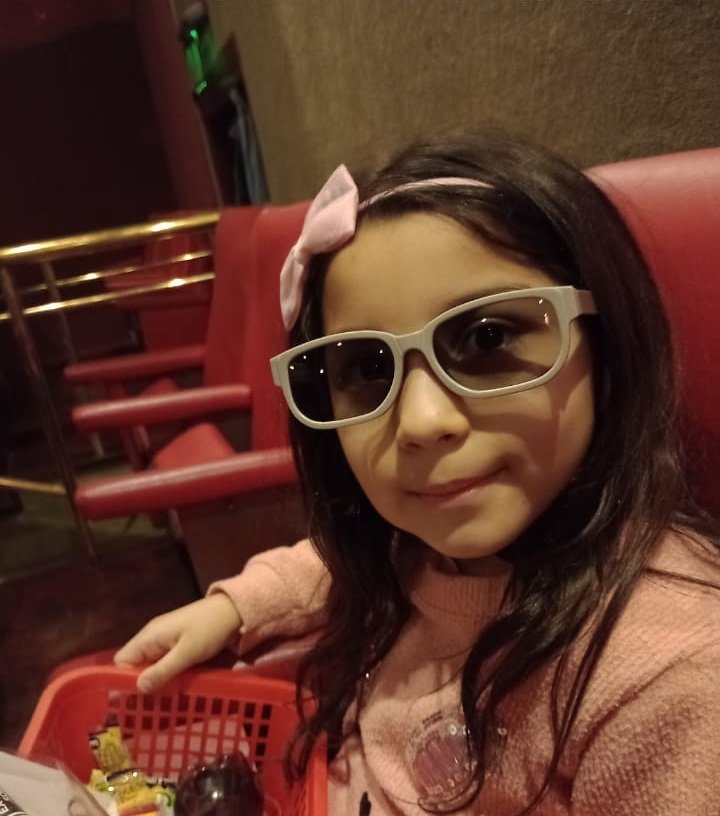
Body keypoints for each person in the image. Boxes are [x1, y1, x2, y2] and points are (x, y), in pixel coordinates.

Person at [115, 131, 720, 815]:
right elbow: (336, 564)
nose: (423, 420)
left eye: (487, 338)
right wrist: (233, 607)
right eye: (367, 368)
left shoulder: (669, 677)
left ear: (604, 345)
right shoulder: (425, 549)